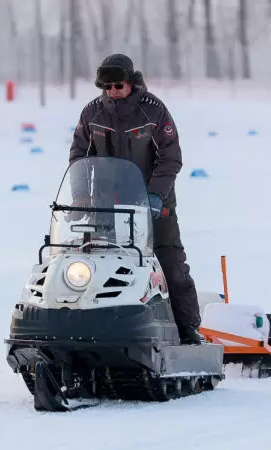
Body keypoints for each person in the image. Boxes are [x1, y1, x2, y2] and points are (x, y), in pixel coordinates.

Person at [68, 53, 202, 345]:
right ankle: (86, 327)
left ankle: (187, 329)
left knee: (171, 265)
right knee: (94, 267)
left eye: (118, 85)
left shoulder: (153, 112)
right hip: (105, 207)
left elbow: (170, 158)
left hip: (153, 205)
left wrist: (155, 195)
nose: (113, 91)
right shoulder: (92, 113)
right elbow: (79, 155)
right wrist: (80, 197)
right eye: (107, 87)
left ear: (130, 82)